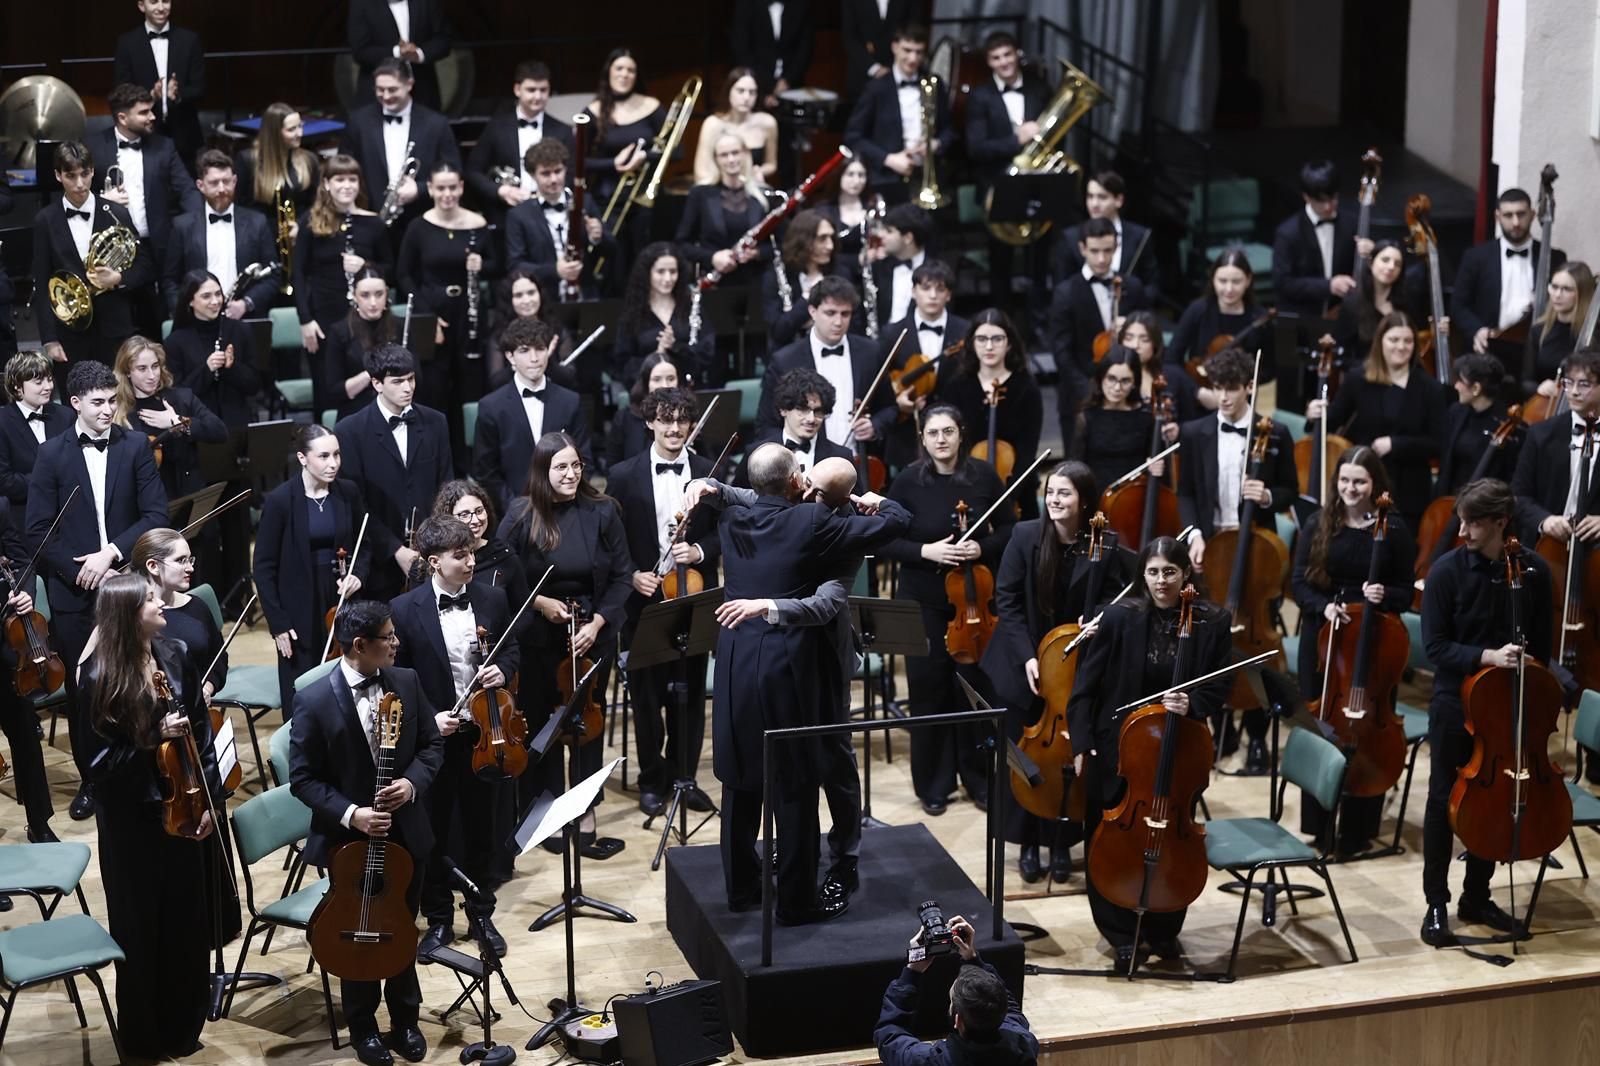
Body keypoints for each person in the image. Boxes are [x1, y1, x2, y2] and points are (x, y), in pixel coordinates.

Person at [708, 442, 908, 921]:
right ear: (796, 480)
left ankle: (740, 890)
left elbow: (742, 497)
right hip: (786, 664)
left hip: (735, 657)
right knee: (793, 783)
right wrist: (876, 501)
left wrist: (709, 487)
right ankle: (796, 901)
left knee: (739, 780)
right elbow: (898, 522)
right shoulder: (817, 522)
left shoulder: (731, 519)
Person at [289, 598, 443, 1066]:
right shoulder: (314, 699)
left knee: (401, 927)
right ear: (359, 645)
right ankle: (362, 1026)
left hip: (407, 835)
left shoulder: (407, 681)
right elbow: (303, 779)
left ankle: (405, 1020)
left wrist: (411, 783)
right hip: (348, 843)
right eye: (388, 638)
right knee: (356, 930)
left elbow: (433, 744)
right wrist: (352, 813)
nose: (397, 643)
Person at [1068, 536, 1231, 968]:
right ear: (1143, 576)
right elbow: (1084, 686)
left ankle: (1163, 928)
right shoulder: (1119, 617)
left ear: (1186, 574)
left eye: (1170, 572)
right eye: (1154, 572)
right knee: (1107, 837)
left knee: (1173, 838)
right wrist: (1082, 743)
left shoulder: (1211, 621)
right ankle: (1119, 932)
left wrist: (1193, 702)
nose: (1162, 581)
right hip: (1117, 748)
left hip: (1178, 752)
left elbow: (1220, 686)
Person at [79, 571, 221, 1060]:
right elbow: (96, 767)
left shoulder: (176, 654)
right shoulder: (98, 676)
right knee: (140, 928)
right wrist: (150, 737)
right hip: (132, 822)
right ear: (127, 615)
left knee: (186, 922)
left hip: (183, 805)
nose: (162, 603)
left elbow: (200, 733)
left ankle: (183, 1026)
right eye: (150, 600)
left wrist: (206, 801)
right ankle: (143, 1038)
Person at [27, 359, 168, 820]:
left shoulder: (135, 448)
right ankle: (92, 779)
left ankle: (149, 764)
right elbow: (38, 534)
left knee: (139, 677)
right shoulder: (51, 456)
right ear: (75, 404)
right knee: (85, 688)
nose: (108, 410)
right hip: (76, 593)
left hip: (129, 586)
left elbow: (155, 515)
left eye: (112, 401)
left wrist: (110, 555)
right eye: (98, 403)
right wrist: (81, 571)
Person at [980, 460, 1133, 883]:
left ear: (1085, 502)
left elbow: (1116, 598)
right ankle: (1028, 842)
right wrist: (1028, 655)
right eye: (1050, 493)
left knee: (1068, 758)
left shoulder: (1104, 543)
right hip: (1022, 660)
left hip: (1074, 667)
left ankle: (1061, 843)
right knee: (1027, 757)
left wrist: (1099, 618)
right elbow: (1006, 602)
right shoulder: (1025, 535)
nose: (1054, 500)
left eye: (1064, 494)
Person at [1419, 478, 1551, 947]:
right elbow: (1435, 647)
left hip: (1509, 706)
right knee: (1442, 801)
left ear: (1500, 522)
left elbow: (1545, 649)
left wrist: (1528, 664)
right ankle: (1436, 902)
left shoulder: (1533, 572)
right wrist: (1486, 657)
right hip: (1457, 702)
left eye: (1474, 522)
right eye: (1462, 520)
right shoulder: (1446, 572)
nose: (1464, 531)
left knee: (1494, 799)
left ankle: (1477, 895)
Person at [497, 432, 633, 858]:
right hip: (540, 639)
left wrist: (597, 622)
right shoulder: (522, 515)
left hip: (591, 633)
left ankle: (587, 807)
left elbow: (623, 576)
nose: (572, 474)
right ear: (543, 471)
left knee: (587, 725)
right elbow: (500, 574)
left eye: (576, 465)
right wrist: (539, 603)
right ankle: (551, 805)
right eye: (561, 467)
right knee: (544, 724)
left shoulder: (603, 511)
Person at [390, 515, 519, 959]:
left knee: (483, 828)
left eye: (471, 553)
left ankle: (481, 914)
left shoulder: (493, 599)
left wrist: (506, 668)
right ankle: (439, 919)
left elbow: (512, 648)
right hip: (436, 739)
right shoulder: (404, 611)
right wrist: (429, 720)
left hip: (486, 733)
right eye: (460, 556)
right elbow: (398, 679)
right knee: (435, 831)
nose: (470, 562)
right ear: (433, 562)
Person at [880, 405, 1015, 815]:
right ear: (922, 438)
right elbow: (883, 540)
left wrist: (982, 547)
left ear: (961, 435)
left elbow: (1010, 527)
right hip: (922, 601)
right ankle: (934, 785)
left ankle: (978, 779)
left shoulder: (983, 477)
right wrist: (926, 550)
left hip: (973, 606)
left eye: (949, 431)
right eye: (933, 432)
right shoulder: (906, 482)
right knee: (928, 690)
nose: (941, 439)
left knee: (972, 691)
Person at [1173, 347, 1297, 772]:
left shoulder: (1275, 432)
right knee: (1212, 641)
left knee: (1256, 643)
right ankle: (1221, 725)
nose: (1222, 397)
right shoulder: (1195, 432)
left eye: (1230, 389)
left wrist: (1267, 495)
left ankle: (1258, 735)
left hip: (1259, 551)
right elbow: (1186, 491)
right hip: (1212, 549)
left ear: (1249, 387)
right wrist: (1193, 534)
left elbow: (1290, 493)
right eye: (1216, 388)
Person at [1290, 446, 1417, 853]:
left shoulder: (1393, 528)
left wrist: (1385, 593)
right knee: (1323, 727)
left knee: (1368, 732)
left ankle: (1359, 831)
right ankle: (1319, 825)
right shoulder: (1318, 523)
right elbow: (1298, 583)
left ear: (1375, 484)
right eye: (1344, 480)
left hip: (1375, 643)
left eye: (1359, 481)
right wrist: (1323, 606)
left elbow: (1405, 589)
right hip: (1326, 638)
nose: (1350, 488)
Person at [607, 387, 720, 815]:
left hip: (694, 596)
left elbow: (726, 532)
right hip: (645, 601)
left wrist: (701, 552)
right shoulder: (622, 474)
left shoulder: (710, 474)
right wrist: (631, 573)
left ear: (691, 424)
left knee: (689, 694)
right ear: (650, 422)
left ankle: (684, 777)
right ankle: (651, 778)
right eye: (665, 420)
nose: (674, 428)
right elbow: (614, 539)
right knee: (648, 697)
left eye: (681, 420)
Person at [252, 424, 368, 715]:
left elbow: (364, 545)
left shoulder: (348, 492)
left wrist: (358, 575)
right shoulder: (280, 501)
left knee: (347, 681)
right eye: (324, 456)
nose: (333, 464)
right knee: (302, 686)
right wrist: (277, 623)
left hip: (340, 600)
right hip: (297, 605)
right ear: (303, 458)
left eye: (337, 455)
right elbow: (263, 567)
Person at [1306, 311, 1449, 531]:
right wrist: (1314, 413)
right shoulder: (1359, 379)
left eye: (1408, 341)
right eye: (1394, 340)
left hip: (1408, 490)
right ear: (1380, 341)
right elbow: (1332, 421)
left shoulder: (1430, 389)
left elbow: (1439, 443)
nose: (1401, 347)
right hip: (1363, 488)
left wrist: (1395, 444)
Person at [333, 343, 454, 602]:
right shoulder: (350, 430)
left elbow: (446, 488)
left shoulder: (436, 422)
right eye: (398, 381)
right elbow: (357, 504)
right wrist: (395, 550)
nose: (408, 387)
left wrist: (430, 544)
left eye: (410, 379)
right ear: (377, 384)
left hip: (429, 555)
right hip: (377, 561)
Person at [396, 158, 499, 449]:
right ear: (430, 189)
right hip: (432, 313)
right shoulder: (418, 227)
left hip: (469, 312)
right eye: (441, 188)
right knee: (436, 388)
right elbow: (403, 274)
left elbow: (496, 265)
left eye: (453, 187)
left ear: (462, 187)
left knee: (470, 385)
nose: (447, 194)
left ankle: (471, 456)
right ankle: (440, 456)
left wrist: (483, 265)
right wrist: (426, 316)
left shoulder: (478, 224)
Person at [32, 140, 155, 368]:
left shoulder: (115, 213)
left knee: (118, 400)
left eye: (85, 174)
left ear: (92, 172)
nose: (80, 183)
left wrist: (118, 279)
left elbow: (145, 265)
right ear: (58, 175)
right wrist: (49, 339)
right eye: (71, 176)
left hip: (115, 328)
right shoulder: (45, 220)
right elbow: (41, 282)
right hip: (70, 332)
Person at [874, 913, 1037, 1066]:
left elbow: (889, 1035)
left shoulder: (933, 1061)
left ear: (958, 1021)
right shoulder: (1024, 1045)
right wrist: (972, 958)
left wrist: (912, 971)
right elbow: (1012, 1013)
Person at [89, 81, 200, 305]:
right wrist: (101, 201)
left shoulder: (164, 146)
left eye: (151, 110)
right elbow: (76, 195)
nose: (152, 117)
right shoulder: (94, 146)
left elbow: (187, 190)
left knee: (155, 315)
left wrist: (199, 225)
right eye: (144, 112)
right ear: (122, 118)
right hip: (112, 249)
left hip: (155, 244)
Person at [966, 32, 1052, 307]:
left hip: (1036, 184)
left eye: (1007, 54)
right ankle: (1001, 322)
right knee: (1000, 263)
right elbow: (976, 148)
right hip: (998, 186)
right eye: (996, 58)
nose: (1004, 62)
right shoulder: (980, 96)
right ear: (989, 63)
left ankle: (1038, 325)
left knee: (1039, 260)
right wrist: (1017, 140)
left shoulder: (1039, 88)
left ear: (1017, 54)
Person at [757, 276, 895, 447]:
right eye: (830, 313)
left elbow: (890, 408)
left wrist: (875, 425)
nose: (838, 322)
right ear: (812, 311)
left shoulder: (871, 352)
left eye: (845, 314)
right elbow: (766, 425)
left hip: (862, 462)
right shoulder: (784, 360)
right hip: (806, 464)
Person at [473, 316, 591, 509]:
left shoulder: (570, 402)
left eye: (540, 349)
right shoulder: (491, 407)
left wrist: (566, 500)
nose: (534, 358)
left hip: (567, 507)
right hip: (514, 513)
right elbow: (486, 473)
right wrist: (517, 508)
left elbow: (585, 459)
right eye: (525, 350)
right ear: (510, 356)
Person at [1047, 217, 1151, 432]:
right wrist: (1092, 391)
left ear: (1116, 247)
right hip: (1081, 397)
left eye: (1108, 250)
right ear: (1082, 248)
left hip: (1127, 394)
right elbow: (1062, 353)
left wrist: (1131, 330)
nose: (1102, 258)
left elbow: (1149, 340)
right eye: (1094, 251)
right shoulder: (1066, 292)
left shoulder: (1133, 287)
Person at [338, 57, 463, 235]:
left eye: (393, 89)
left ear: (409, 84)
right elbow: (344, 167)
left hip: (423, 219)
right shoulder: (359, 121)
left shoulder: (436, 124)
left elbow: (454, 169)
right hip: (372, 219)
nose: (386, 96)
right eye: (380, 90)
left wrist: (420, 189)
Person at [940, 309, 1040, 516]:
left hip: (1016, 492)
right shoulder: (956, 387)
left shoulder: (1026, 388)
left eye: (997, 339)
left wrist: (1006, 500)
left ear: (1009, 343)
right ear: (972, 343)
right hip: (965, 489)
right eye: (982, 339)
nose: (989, 346)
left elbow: (1027, 451)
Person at [293, 153, 392, 361]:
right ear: (327, 184)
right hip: (322, 316)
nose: (347, 186)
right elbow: (298, 273)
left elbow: (391, 269)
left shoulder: (374, 224)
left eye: (352, 179)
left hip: (365, 317)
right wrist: (305, 320)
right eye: (340, 179)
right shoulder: (310, 222)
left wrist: (366, 266)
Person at [1451, 187, 1566, 363]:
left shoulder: (1555, 258)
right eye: (1508, 215)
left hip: (1537, 352)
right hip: (1490, 350)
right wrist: (1477, 330)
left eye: (1521, 214)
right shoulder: (1476, 257)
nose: (1515, 222)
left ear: (1533, 214)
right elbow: (1458, 305)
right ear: (1497, 217)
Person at [112, 334, 229, 505]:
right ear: (128, 372)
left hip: (190, 495)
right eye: (142, 369)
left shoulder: (181, 397)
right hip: (149, 503)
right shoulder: (119, 412)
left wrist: (177, 421)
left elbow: (219, 431)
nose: (152, 375)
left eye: (155, 366)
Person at [161, 149, 280, 317]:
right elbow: (170, 281)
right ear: (200, 186)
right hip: (197, 322)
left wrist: (246, 304)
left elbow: (273, 276)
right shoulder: (182, 226)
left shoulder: (257, 222)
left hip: (245, 319)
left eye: (226, 181)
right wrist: (185, 311)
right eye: (214, 183)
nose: (222, 189)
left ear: (235, 181)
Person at [844, 24, 950, 207]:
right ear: (894, 47)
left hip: (926, 175)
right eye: (907, 50)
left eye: (919, 52)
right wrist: (889, 159)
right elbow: (853, 137)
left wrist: (936, 143)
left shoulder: (933, 84)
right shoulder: (875, 88)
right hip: (888, 178)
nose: (913, 58)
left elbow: (949, 129)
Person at [0, 504, 55, 842]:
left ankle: (39, 822)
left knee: (24, 734)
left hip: (7, 644)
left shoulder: (0, 506)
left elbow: (21, 560)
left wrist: (25, 593)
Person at [585, 50, 664, 278]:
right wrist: (613, 164)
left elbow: (676, 151)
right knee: (614, 265)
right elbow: (577, 161)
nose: (625, 74)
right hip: (608, 198)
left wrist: (644, 157)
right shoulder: (593, 111)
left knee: (645, 260)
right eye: (619, 68)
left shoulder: (651, 106)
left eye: (631, 70)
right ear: (608, 72)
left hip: (645, 199)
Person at [504, 140, 611, 304]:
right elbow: (515, 266)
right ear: (533, 175)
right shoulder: (518, 215)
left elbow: (613, 252)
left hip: (587, 295)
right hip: (544, 301)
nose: (554, 179)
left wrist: (597, 237)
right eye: (545, 173)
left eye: (558, 171)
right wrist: (554, 270)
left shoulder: (585, 202)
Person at [466, 59, 575, 217]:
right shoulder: (497, 127)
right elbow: (473, 171)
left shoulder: (562, 131)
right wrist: (501, 191)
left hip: (551, 214)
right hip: (506, 212)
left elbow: (570, 175)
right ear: (517, 90)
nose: (538, 96)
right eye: (531, 90)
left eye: (543, 90)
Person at [113, 0, 205, 172]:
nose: (161, 8)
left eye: (166, 1)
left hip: (184, 134)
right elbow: (121, 90)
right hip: (143, 134)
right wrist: (150, 96)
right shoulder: (127, 43)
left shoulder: (190, 40)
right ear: (141, 6)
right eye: (154, 2)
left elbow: (200, 88)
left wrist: (178, 95)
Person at [163, 269, 262, 428]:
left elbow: (254, 386)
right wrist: (207, 369)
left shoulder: (241, 331)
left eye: (218, 294)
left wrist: (232, 366)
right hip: (197, 427)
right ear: (190, 300)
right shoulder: (175, 342)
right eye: (206, 296)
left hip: (237, 422)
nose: (215, 301)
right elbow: (176, 397)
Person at [611, 243, 716, 388]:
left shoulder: (691, 305)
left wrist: (675, 347)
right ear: (647, 273)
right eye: (660, 271)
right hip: (647, 397)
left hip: (690, 390)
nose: (668, 278)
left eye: (673, 271)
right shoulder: (633, 312)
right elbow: (622, 366)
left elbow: (706, 353)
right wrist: (658, 354)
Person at [677, 134, 771, 290]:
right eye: (724, 155)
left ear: (745, 154)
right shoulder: (700, 194)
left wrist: (757, 253)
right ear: (716, 159)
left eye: (735, 152)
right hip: (715, 284)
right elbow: (682, 244)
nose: (731, 159)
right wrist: (712, 257)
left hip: (757, 283)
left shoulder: (764, 195)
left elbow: (782, 245)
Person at [735, 368, 855, 487]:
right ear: (783, 409)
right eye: (802, 409)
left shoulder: (842, 457)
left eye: (818, 411)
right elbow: (737, 499)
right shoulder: (756, 453)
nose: (811, 419)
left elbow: (853, 504)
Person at [1053, 170, 1160, 302]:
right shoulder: (1070, 237)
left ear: (1119, 200)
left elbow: (1152, 286)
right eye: (1090, 196)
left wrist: (1130, 304)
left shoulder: (1140, 236)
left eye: (1102, 197)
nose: (1094, 204)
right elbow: (1061, 287)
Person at [1272, 159, 1359, 318]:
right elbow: (1283, 283)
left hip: (1340, 316)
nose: (1328, 206)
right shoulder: (1288, 233)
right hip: (1301, 319)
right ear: (1306, 197)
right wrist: (1328, 286)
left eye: (1332, 198)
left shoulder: (1351, 224)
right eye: (1321, 201)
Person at [0, 351, 75, 532]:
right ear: (18, 386)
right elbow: (5, 481)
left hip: (69, 517)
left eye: (49, 379)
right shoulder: (2, 422)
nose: (48, 386)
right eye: (38, 382)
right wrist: (47, 481)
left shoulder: (65, 415)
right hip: (24, 519)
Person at [1436, 353, 1522, 500]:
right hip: (1449, 500)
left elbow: (1510, 478)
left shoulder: (1507, 423)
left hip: (1484, 505)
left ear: (1476, 388)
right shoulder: (1456, 411)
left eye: (1460, 381)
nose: (1455, 386)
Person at [1070, 347, 1153, 494]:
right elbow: (1076, 468)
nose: (1117, 387)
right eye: (1111, 378)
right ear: (1101, 377)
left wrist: (1155, 467)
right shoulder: (1086, 417)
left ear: (1135, 383)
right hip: (1096, 498)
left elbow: (1154, 461)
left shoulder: (1145, 416)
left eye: (1125, 381)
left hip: (1135, 498)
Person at [1165, 248, 1262, 372]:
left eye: (1236, 282)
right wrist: (1196, 390)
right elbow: (1171, 360)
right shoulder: (1197, 310)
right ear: (1213, 279)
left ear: (1248, 280)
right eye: (1222, 281)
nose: (1229, 289)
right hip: (1199, 386)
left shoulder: (1259, 318)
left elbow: (1268, 369)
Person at [1331, 238, 1425, 365]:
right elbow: (1341, 355)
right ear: (1371, 263)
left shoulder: (1406, 302)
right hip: (1364, 377)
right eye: (1385, 260)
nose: (1391, 267)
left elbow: (1416, 344)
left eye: (1397, 264)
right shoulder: (1352, 303)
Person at [348, 0, 454, 111]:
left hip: (423, 94)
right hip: (376, 98)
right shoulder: (361, 3)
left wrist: (419, 54)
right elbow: (360, 51)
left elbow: (444, 40)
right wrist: (397, 52)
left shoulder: (427, 2)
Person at [765, 209, 846, 350]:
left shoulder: (840, 273)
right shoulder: (776, 276)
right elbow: (778, 331)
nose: (830, 246)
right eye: (822, 239)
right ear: (802, 241)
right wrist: (808, 297)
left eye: (831, 238)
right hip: (791, 357)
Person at [693, 67, 780, 186]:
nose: (746, 98)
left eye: (752, 92)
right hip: (718, 189)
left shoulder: (767, 123)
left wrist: (757, 172)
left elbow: (771, 164)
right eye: (740, 91)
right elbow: (701, 171)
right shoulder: (712, 124)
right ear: (729, 92)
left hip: (752, 187)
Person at [1119, 310, 1208, 422]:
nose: (1135, 345)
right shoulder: (1109, 374)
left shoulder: (1172, 375)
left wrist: (1178, 430)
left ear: (1155, 344)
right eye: (1129, 338)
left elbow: (1190, 422)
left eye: (1144, 340)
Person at [235, 101, 320, 217]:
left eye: (300, 126)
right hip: (261, 231)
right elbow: (242, 208)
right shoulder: (248, 161)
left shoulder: (310, 160)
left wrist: (299, 227)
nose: (299, 133)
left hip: (299, 230)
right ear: (274, 134)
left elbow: (314, 205)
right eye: (291, 129)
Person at [863, 203, 935, 335]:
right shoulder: (878, 267)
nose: (881, 235)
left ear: (908, 238)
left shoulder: (937, 272)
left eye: (889, 231)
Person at [1526, 261, 1595, 399]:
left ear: (1582, 293)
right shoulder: (1538, 330)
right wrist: (1539, 387)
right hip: (1544, 406)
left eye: (1567, 289)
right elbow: (1524, 381)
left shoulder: (1593, 335)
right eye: (1554, 287)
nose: (1557, 294)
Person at [730, 0, 814, 106]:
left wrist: (787, 81)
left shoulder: (800, 4)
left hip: (792, 86)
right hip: (755, 87)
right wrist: (770, 85)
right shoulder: (747, 4)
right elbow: (741, 51)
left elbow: (805, 51)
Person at [608, 353, 684, 468]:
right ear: (646, 383)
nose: (664, 385)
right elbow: (612, 466)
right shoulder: (624, 418)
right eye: (657, 379)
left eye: (671, 379)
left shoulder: (686, 418)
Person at [841, 0, 915, 98]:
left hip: (899, 76)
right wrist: (875, 69)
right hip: (862, 76)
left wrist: (896, 70)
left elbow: (914, 31)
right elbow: (849, 38)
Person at [819, 156, 877, 264]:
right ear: (839, 175)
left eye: (861, 175)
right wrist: (857, 260)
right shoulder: (824, 209)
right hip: (835, 271)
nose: (856, 181)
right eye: (850, 174)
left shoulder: (873, 207)